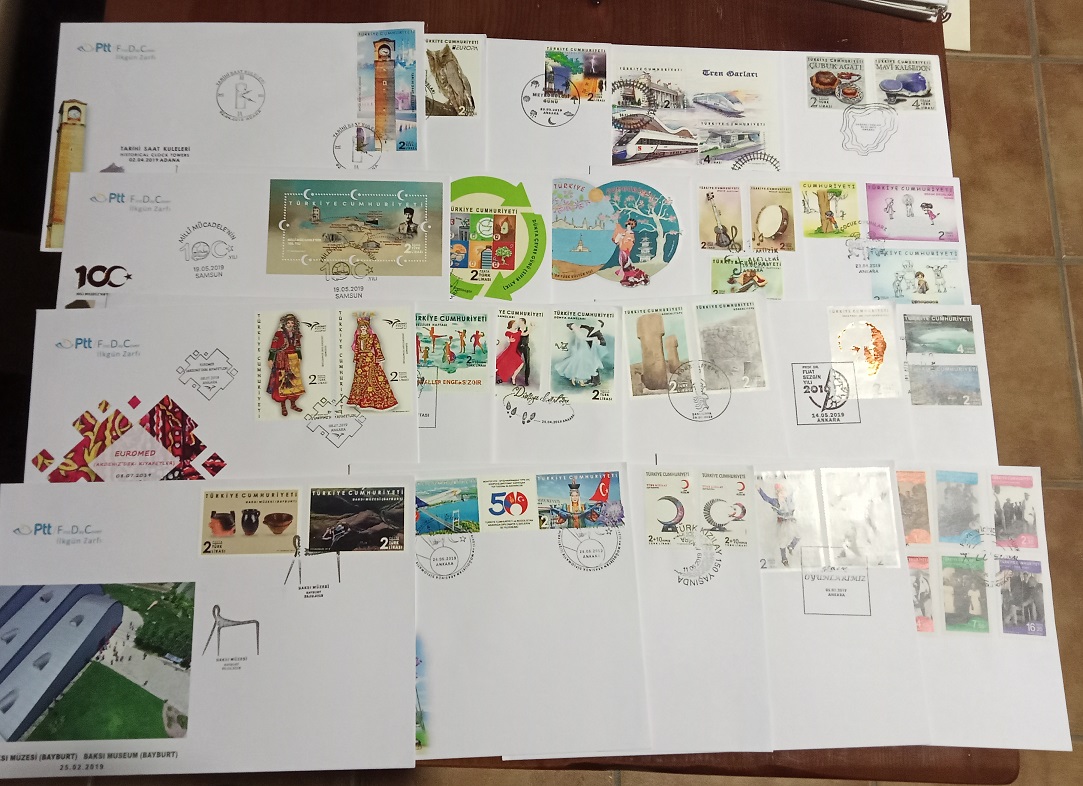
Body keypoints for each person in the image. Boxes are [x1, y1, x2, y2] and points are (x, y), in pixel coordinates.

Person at [347, 314, 399, 410]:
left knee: (373, 378)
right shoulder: (358, 337)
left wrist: (380, 360)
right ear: (359, 328)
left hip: (370, 359)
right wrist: (356, 359)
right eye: (361, 327)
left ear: (367, 327)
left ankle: (376, 400)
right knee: (360, 380)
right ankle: (360, 400)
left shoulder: (373, 336)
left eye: (364, 327)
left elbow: (377, 348)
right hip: (360, 361)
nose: (363, 328)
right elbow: (357, 349)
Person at [266, 313, 305, 417]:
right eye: (288, 323)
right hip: (281, 359)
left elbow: (298, 347)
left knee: (294, 382)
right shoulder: (279, 334)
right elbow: (273, 346)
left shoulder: (296, 334)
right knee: (282, 381)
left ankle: (293, 404)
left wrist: (299, 356)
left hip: (293, 360)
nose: (290, 324)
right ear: (284, 323)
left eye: (292, 323)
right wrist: (270, 358)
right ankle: (283, 406)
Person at [758, 482, 799, 567]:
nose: (782, 494)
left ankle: (791, 546)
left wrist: (795, 486)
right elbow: (766, 498)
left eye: (783, 492)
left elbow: (793, 492)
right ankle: (784, 559)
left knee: (798, 535)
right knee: (782, 541)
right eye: (780, 492)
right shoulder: (775, 502)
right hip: (782, 523)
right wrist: (759, 490)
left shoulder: (788, 500)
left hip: (790, 521)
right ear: (777, 494)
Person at [611, 217, 649, 287]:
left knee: (626, 265)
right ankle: (635, 277)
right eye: (628, 224)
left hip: (625, 251)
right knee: (625, 265)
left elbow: (630, 244)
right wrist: (620, 236)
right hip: (622, 251)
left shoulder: (631, 234)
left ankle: (632, 278)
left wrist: (624, 238)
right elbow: (616, 241)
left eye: (630, 225)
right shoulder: (624, 233)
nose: (629, 226)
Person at [495, 320, 524, 384]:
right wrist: (509, 340)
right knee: (503, 364)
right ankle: (498, 375)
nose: (516, 325)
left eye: (516, 324)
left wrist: (532, 328)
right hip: (510, 351)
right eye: (514, 324)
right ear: (511, 325)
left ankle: (513, 377)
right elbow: (505, 338)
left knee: (520, 364)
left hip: (514, 351)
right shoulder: (508, 332)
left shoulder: (518, 332)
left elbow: (525, 333)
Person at [518, 317, 532, 385]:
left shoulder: (527, 328)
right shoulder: (518, 329)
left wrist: (531, 327)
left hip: (526, 347)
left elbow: (526, 334)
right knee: (515, 361)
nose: (519, 323)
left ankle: (526, 380)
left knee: (527, 363)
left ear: (523, 322)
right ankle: (512, 377)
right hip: (519, 347)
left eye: (520, 321)